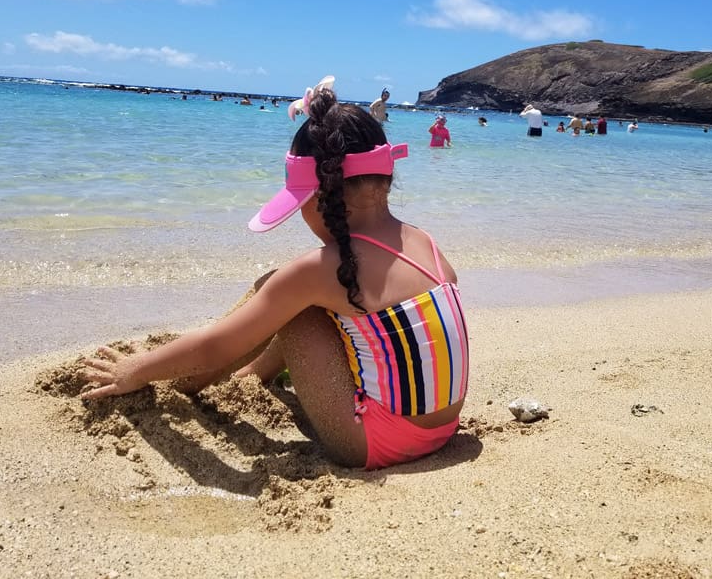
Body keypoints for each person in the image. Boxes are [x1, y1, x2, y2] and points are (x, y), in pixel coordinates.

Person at [81, 79, 468, 471]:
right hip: (442, 429)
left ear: (321, 198)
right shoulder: (425, 243)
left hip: (372, 443)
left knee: (285, 296)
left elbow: (216, 346)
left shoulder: (321, 270)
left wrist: (136, 369)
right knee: (311, 302)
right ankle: (253, 375)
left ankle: (183, 386)